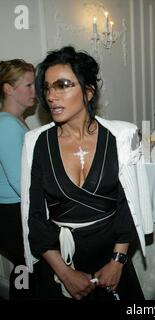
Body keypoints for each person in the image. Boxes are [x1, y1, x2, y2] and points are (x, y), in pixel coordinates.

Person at [21, 46, 153, 300]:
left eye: (63, 85)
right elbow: (34, 217)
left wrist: (118, 261)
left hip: (112, 256)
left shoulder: (122, 136)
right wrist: (65, 273)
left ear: (89, 92)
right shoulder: (35, 142)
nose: (51, 95)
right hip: (59, 259)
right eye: (47, 87)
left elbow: (128, 208)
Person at [0, 59, 35, 299]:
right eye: (29, 85)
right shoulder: (7, 125)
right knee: (27, 269)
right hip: (12, 212)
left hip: (15, 209)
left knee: (29, 270)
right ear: (8, 88)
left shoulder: (16, 121)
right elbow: (20, 181)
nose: (35, 91)